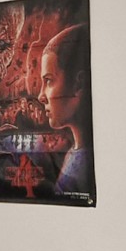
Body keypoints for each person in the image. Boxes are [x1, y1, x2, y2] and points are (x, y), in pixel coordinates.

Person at [39, 22, 92, 198]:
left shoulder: (87, 162)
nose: (41, 96)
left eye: (48, 80)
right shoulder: (75, 154)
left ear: (79, 84)